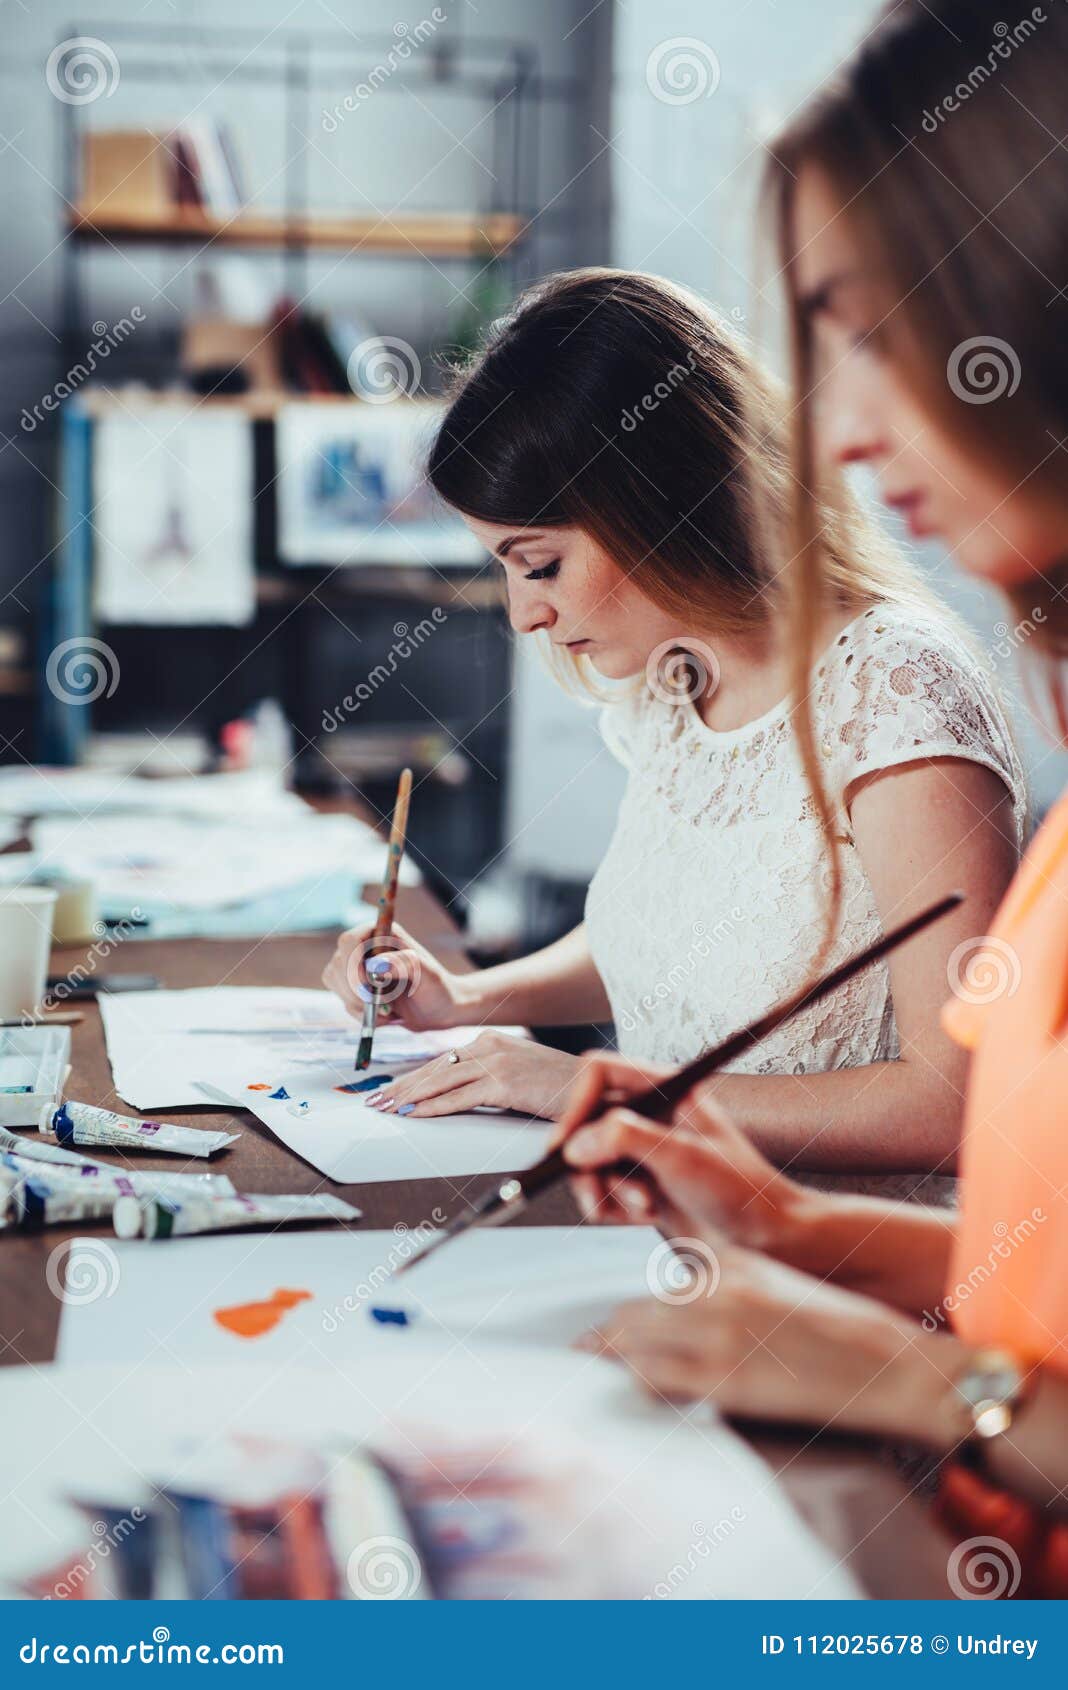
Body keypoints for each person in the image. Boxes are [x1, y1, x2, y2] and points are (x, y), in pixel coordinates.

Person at [557, 0, 1068, 1592]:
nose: (837, 429)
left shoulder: (902, 692)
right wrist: (776, 1219)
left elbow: (997, 1366)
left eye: (869, 325)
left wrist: (921, 1386)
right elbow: (1027, 1283)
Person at [324, 269, 1023, 1196]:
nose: (523, 613)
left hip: (844, 1285)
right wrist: (470, 997)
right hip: (668, 1230)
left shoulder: (895, 693)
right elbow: (661, 945)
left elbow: (956, 1103)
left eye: (538, 564)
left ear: (655, 503)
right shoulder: (678, 678)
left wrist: (607, 1090)